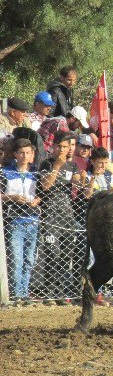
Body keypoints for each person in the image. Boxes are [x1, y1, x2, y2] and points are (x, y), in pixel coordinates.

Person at [38, 130, 80, 304]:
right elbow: (46, 186)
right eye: (60, 146)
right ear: (53, 147)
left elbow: (79, 185)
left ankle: (60, 292)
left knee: (66, 255)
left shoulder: (73, 166)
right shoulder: (46, 164)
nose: (63, 150)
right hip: (50, 216)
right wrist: (57, 166)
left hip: (67, 215)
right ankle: (49, 291)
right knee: (52, 253)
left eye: (66, 147)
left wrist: (84, 179)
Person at [1, 139, 41, 303]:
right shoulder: (5, 172)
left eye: (28, 153)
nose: (24, 156)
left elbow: (42, 195)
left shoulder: (36, 172)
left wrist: (36, 201)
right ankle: (17, 293)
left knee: (29, 260)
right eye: (21, 153)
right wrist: (14, 197)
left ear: (33, 154)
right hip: (14, 220)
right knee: (17, 259)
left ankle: (24, 292)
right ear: (16, 154)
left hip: (33, 220)